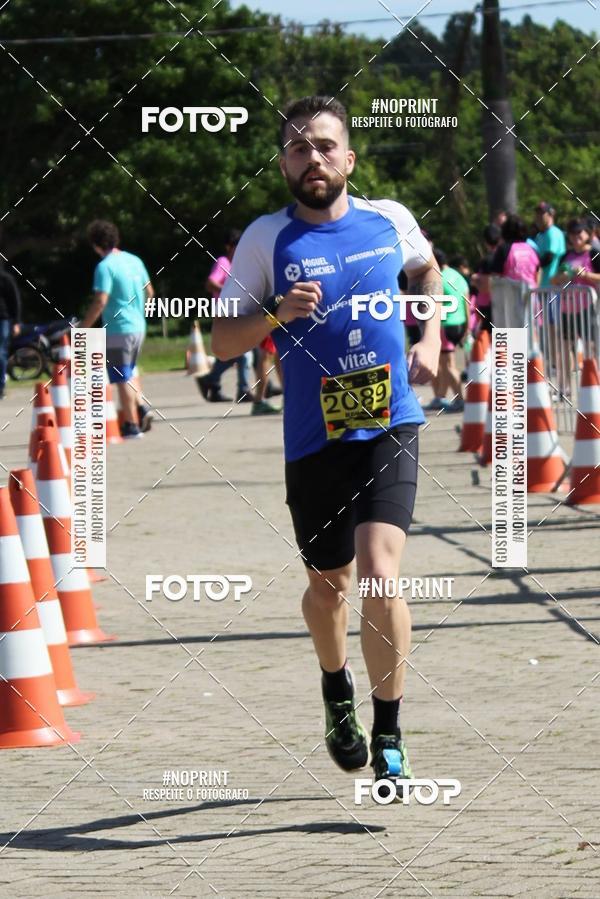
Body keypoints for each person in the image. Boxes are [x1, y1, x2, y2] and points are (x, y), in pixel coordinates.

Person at [212, 95, 442, 791]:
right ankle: (335, 686)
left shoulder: (388, 218)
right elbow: (224, 340)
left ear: (348, 156)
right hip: (314, 439)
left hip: (390, 422)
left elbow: (427, 269)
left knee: (379, 572)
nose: (312, 157)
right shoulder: (264, 240)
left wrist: (429, 334)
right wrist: (276, 314)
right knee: (328, 586)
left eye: (323, 144)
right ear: (283, 163)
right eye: (297, 148)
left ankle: (391, 728)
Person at [82, 220, 154, 439]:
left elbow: (100, 301)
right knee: (130, 370)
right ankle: (141, 407)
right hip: (138, 326)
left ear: (95, 244)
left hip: (117, 328)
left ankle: (131, 424)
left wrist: (84, 327)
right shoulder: (134, 260)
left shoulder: (105, 267)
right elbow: (149, 292)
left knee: (121, 376)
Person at [196, 231, 255, 404]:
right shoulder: (223, 262)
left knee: (236, 353)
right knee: (244, 352)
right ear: (229, 246)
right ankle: (243, 390)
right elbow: (210, 283)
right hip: (225, 312)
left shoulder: (240, 264)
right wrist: (228, 288)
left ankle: (211, 381)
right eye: (237, 246)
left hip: (238, 311)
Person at [551, 219, 600, 386]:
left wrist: (586, 275)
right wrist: (563, 277)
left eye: (579, 232)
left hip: (588, 308)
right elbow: (553, 280)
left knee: (590, 347)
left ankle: (594, 383)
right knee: (564, 348)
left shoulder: (594, 253)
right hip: (567, 308)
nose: (576, 236)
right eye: (572, 233)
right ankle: (564, 387)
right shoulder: (566, 255)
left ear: (587, 234)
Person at [424, 250, 469, 412]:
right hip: (459, 323)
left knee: (448, 365)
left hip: (445, 324)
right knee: (445, 364)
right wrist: (467, 327)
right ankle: (440, 397)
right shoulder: (457, 275)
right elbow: (466, 299)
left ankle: (460, 399)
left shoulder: (438, 277)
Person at [491, 214, 541, 288]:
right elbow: (538, 272)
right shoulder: (532, 249)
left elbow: (495, 276)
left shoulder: (503, 249)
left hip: (509, 296)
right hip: (531, 295)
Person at [471, 223, 501, 334]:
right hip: (506, 304)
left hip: (489, 307)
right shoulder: (505, 256)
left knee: (496, 343)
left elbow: (486, 286)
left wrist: (475, 280)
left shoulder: (487, 260)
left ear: (485, 241)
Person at [0, 263, 21, 399]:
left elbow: (15, 301)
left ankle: (0, 386)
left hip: (3, 320)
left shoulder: (6, 279)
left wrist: (16, 322)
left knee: (0, 352)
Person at [533, 202, 566, 288]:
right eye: (537, 214)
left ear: (551, 215)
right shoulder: (540, 235)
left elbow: (548, 258)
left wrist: (531, 265)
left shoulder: (553, 233)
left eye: (542, 214)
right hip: (541, 285)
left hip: (552, 286)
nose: (538, 217)